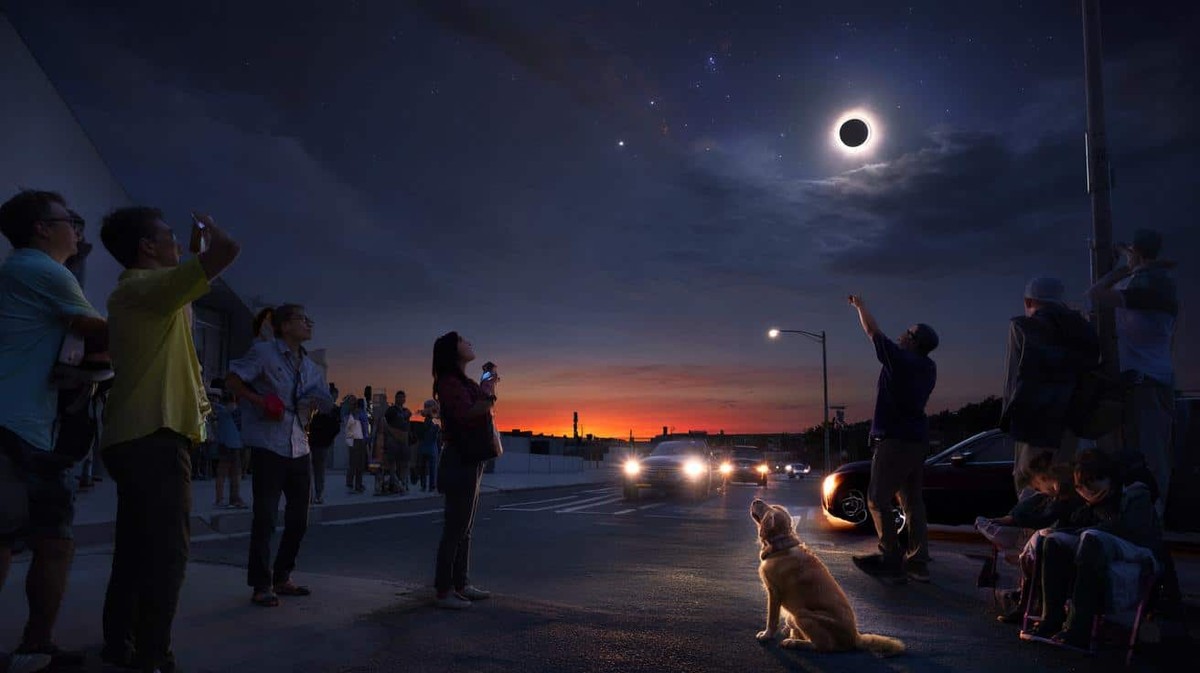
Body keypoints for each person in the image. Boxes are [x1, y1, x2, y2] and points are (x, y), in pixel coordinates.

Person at [98, 207, 240, 673]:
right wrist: (211, 231)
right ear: (147, 247)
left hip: (135, 436)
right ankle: (152, 654)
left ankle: (120, 642)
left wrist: (193, 248)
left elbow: (192, 275)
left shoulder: (147, 293)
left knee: (136, 548)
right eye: (169, 237)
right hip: (153, 436)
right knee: (167, 551)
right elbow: (227, 251)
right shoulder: (146, 289)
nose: (178, 243)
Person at [0, 190, 107, 672]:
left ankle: (37, 644)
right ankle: (35, 643)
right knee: (11, 539)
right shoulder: (39, 269)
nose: (78, 230)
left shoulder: (33, 272)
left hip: (32, 425)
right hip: (13, 424)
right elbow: (97, 330)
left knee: (53, 541)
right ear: (42, 228)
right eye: (70, 221)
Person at [226, 304, 334, 608]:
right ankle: (261, 584)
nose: (308, 324)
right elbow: (232, 379)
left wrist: (316, 402)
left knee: (299, 517)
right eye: (302, 319)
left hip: (299, 445)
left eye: (309, 319)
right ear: (284, 326)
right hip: (269, 444)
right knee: (266, 517)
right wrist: (260, 400)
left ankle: (282, 575)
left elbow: (323, 401)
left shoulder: (312, 366)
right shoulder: (263, 353)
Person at [1020, 449, 1164, 652]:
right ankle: (1051, 618)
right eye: (1081, 487)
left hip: (1136, 548)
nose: (1086, 490)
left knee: (1090, 538)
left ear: (1108, 479)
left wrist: (1099, 511)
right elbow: (1074, 523)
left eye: (1091, 483)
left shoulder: (1135, 493)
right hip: (1102, 541)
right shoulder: (1087, 499)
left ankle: (1078, 629)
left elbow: (1127, 529)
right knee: (1054, 540)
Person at [1087, 228, 1178, 519]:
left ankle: (1150, 520)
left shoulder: (1147, 287)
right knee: (1154, 456)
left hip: (1145, 384)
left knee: (1149, 459)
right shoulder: (1164, 284)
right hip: (1158, 381)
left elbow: (1096, 293)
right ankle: (1148, 517)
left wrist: (1124, 268)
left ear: (1138, 252)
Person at [846, 295, 938, 584]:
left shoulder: (902, 360)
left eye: (907, 332)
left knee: (876, 499)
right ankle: (918, 562)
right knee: (913, 501)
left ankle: (890, 557)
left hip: (895, 440)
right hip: (916, 440)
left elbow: (873, 333)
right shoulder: (928, 367)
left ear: (913, 341)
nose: (902, 334)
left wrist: (860, 307)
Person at [1000, 277, 1100, 493]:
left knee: (1029, 480)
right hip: (1075, 418)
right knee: (1066, 481)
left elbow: (1013, 378)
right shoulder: (1085, 328)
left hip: (1034, 418)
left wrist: (1007, 419)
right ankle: (1062, 525)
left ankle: (1035, 526)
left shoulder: (1022, 326)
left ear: (1029, 301)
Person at [431, 331, 500, 609]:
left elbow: (482, 406)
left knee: (466, 526)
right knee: (455, 527)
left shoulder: (465, 382)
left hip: (472, 457)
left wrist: (488, 389)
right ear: (452, 350)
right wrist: (488, 394)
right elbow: (470, 412)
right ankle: (444, 591)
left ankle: (461, 583)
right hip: (460, 456)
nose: (469, 342)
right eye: (462, 341)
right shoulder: (448, 383)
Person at [211, 387, 247, 509]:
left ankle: (219, 498)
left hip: (223, 443)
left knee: (222, 473)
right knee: (235, 474)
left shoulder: (219, 410)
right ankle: (234, 498)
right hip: (235, 445)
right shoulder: (236, 410)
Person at [306, 383, 341, 504]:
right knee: (309, 469)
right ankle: (311, 495)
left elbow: (336, 428)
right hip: (312, 441)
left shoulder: (334, 411)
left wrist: (327, 439)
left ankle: (318, 494)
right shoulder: (318, 408)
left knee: (318, 470)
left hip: (321, 443)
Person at [415, 399, 442, 492]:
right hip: (429, 446)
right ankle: (430, 485)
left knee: (427, 467)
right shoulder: (431, 420)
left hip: (427, 445)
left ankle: (427, 485)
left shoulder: (430, 420)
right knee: (430, 467)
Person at [343, 396, 367, 494]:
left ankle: (355, 484)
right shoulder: (356, 413)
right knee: (355, 463)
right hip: (356, 439)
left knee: (357, 463)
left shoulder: (357, 413)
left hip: (357, 439)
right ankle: (354, 484)